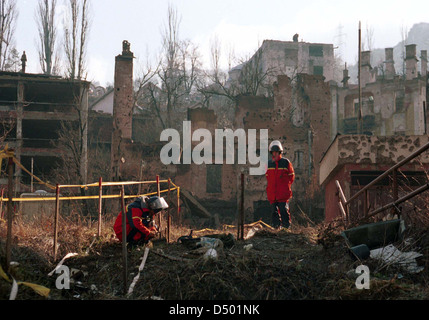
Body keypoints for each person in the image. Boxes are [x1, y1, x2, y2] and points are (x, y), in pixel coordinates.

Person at [266, 140, 295, 229]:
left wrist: (285, 186)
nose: (274, 154)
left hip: (283, 193)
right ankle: (276, 228)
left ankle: (286, 227)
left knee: (283, 210)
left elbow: (291, 176)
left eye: (276, 152)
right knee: (273, 212)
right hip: (272, 193)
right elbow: (268, 177)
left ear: (280, 152)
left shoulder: (286, 162)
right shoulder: (269, 163)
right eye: (273, 152)